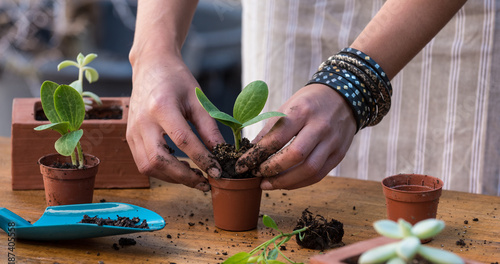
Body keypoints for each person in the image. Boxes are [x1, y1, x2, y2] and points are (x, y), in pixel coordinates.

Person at [127, 0, 499, 195]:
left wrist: (354, 79)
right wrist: (151, 52)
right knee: (287, 151)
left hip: (440, 25)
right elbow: (151, 52)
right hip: (290, 12)